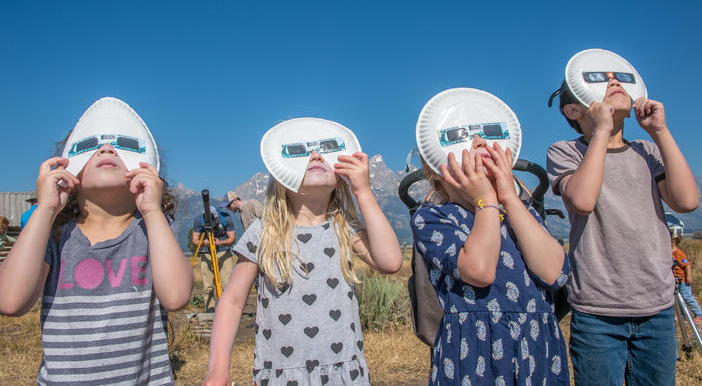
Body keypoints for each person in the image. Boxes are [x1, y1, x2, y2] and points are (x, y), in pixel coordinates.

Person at [0, 97, 193, 385]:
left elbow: (177, 296)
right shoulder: (54, 236)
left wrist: (152, 211)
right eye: (89, 145)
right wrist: (45, 209)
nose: (107, 148)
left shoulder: (151, 231)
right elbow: (10, 300)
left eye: (122, 144)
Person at [203, 119, 403, 386]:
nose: (316, 155)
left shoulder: (344, 227)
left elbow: (390, 262)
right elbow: (232, 301)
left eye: (324, 150)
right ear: (282, 172)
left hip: (345, 374)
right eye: (302, 152)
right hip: (281, 374)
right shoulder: (264, 231)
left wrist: (363, 192)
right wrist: (218, 368)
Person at [546, 50, 699, 386]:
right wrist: (601, 131)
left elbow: (687, 201)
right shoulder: (566, 152)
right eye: (600, 80)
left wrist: (660, 131)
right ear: (574, 110)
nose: (614, 81)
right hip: (598, 312)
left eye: (618, 78)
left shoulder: (648, 150)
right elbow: (583, 201)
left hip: (656, 307)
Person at [411, 90, 570, 385]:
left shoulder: (521, 213)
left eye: (487, 133)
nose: (480, 141)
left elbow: (555, 274)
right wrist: (486, 200)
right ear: (436, 167)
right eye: (463, 136)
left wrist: (509, 198)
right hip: (474, 354)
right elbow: (479, 270)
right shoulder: (434, 218)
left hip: (535, 349)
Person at [192, 205, 236, 313]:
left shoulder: (226, 219)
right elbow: (195, 240)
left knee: (227, 282)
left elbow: (232, 239)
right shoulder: (199, 220)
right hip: (207, 253)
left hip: (223, 251)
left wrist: (220, 242)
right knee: (207, 285)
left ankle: (227, 310)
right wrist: (203, 243)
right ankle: (210, 310)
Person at [670, 223, 702, 323]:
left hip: (682, 280)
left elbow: (687, 265)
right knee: (678, 300)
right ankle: (682, 315)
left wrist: (689, 277)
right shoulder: (669, 253)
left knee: (687, 297)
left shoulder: (678, 253)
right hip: (675, 281)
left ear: (673, 241)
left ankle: (699, 314)